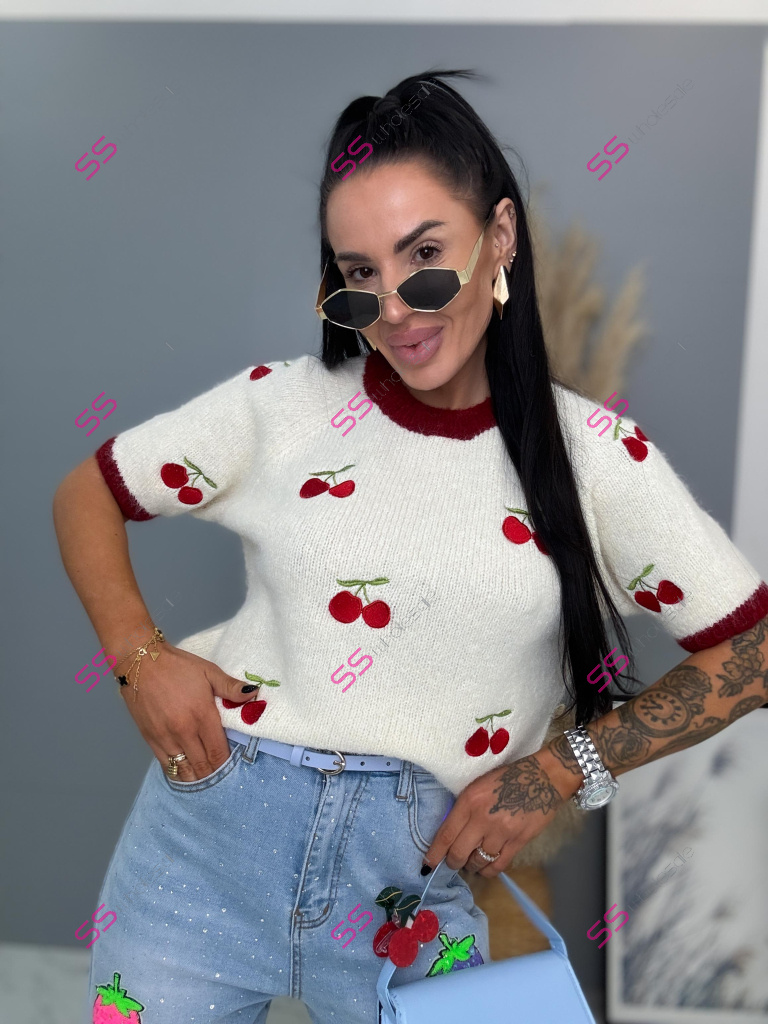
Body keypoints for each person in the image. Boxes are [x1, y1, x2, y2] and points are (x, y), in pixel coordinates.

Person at [53, 69, 768, 1024]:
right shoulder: (283, 404)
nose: (393, 309)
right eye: (359, 278)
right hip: (200, 851)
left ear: (499, 236)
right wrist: (139, 656)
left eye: (424, 256)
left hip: (411, 885)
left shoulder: (598, 459)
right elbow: (87, 492)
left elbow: (755, 653)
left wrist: (562, 769)